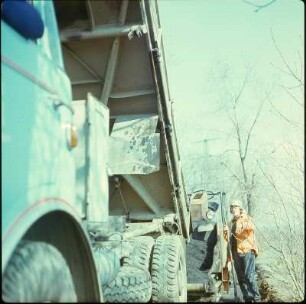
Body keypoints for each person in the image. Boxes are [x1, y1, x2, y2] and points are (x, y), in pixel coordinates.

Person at [223, 199, 261, 303]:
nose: (233, 209)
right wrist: (225, 231)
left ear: (240, 209)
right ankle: (247, 298)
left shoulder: (246, 219)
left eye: (235, 207)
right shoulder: (231, 222)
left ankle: (257, 299)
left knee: (249, 276)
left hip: (246, 251)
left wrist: (243, 218)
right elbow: (227, 238)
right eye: (232, 207)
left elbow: (251, 228)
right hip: (235, 252)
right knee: (241, 278)